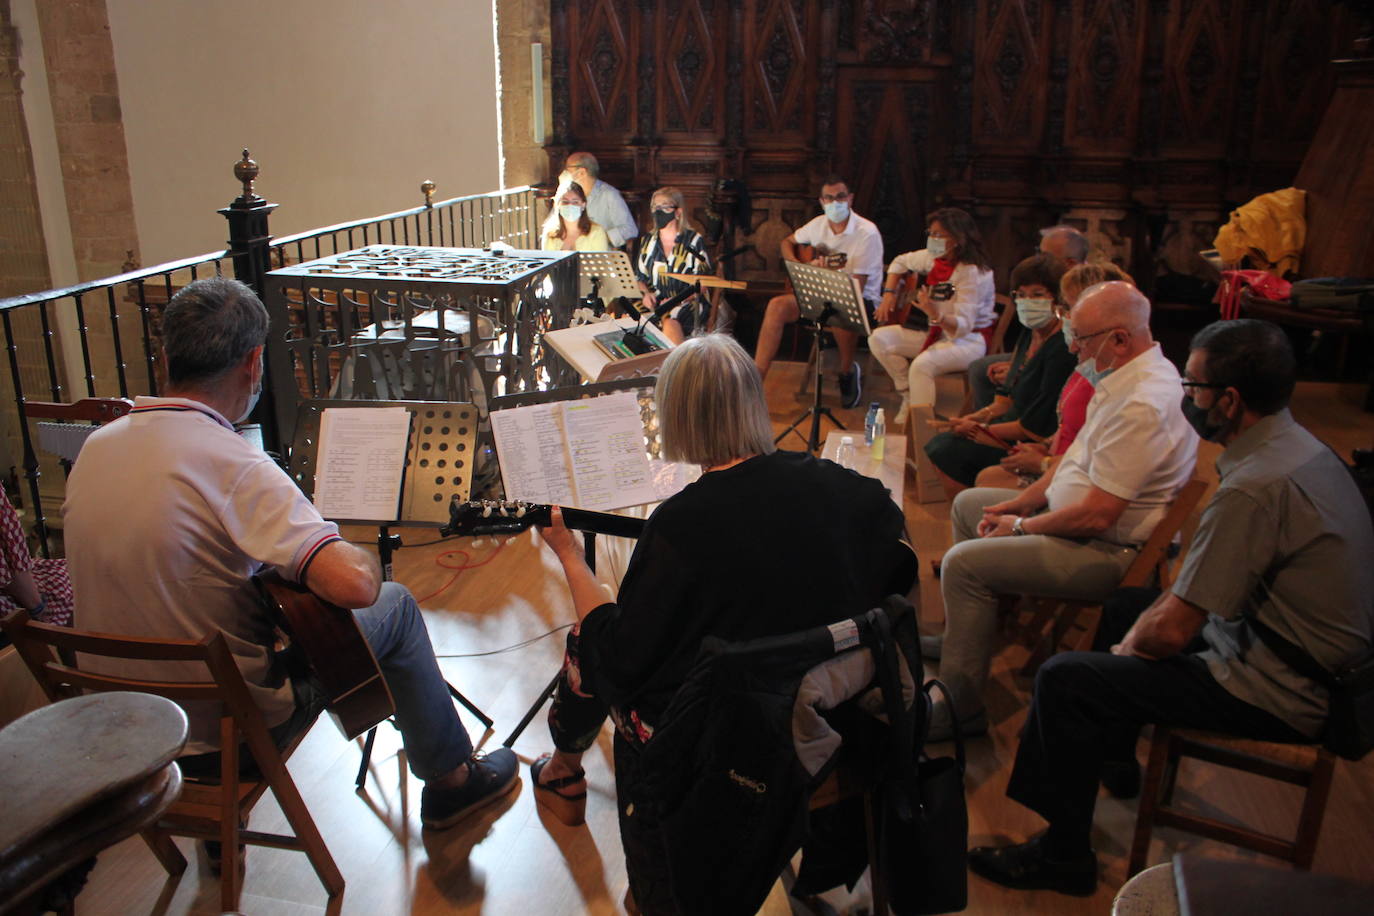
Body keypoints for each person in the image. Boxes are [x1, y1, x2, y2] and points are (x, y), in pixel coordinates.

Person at [62, 277, 517, 833]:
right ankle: (452, 784)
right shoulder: (234, 463)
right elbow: (355, 587)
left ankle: (214, 843)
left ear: (165, 359)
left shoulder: (96, 446)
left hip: (114, 733)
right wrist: (348, 549)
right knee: (392, 605)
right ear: (254, 363)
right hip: (221, 735)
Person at [969, 319, 1374, 896]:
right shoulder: (1299, 447)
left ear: (1229, 401)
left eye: (1195, 387)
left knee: (1069, 677)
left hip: (1291, 689)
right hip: (1308, 655)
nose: (1188, 397)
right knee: (1126, 604)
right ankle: (1112, 758)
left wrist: (1125, 652)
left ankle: (1063, 855)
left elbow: (1172, 633)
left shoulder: (1255, 487)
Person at [529, 334, 907, 913]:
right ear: (753, 403)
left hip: (728, 747)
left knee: (590, 641)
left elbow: (625, 665)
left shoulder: (680, 526)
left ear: (675, 418)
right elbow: (898, 570)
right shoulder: (853, 491)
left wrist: (569, 555)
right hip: (834, 711)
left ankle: (582, 794)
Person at [928, 281, 1198, 739]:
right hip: (1076, 525)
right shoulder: (1122, 377)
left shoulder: (1144, 403)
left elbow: (1097, 516)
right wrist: (1016, 503)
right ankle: (964, 642)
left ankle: (960, 706)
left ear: (1119, 339)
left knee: (962, 565)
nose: (1073, 347)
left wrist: (1021, 527)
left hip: (1108, 552)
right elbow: (1068, 465)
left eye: (1082, 338)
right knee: (972, 505)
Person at [922, 254, 1076, 497]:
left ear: (1057, 298)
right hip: (1015, 424)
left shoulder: (1060, 349)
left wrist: (979, 429)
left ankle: (976, 504)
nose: (1027, 302)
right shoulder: (1030, 333)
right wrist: (978, 416)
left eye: (1037, 295)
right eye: (1022, 295)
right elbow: (1004, 401)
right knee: (943, 442)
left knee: (945, 449)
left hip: (1032, 439)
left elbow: (1035, 427)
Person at [975, 262, 1134, 490]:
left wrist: (1043, 463)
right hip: (1059, 462)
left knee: (975, 491)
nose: (1065, 319)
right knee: (985, 479)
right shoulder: (1088, 365)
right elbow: (1067, 427)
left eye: (1071, 309)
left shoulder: (1120, 385)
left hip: (1076, 483)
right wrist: (1046, 447)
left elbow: (1103, 470)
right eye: (1064, 309)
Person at [753, 175, 883, 409]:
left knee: (839, 308)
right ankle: (754, 381)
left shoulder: (867, 233)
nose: (835, 203)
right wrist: (798, 267)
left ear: (850, 199)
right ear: (822, 201)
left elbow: (857, 286)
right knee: (777, 306)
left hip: (859, 298)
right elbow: (786, 242)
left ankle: (846, 371)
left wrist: (828, 276)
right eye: (829, 198)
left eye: (841, 197)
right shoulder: (818, 224)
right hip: (819, 291)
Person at [868, 207, 996, 423]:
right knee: (878, 339)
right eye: (931, 233)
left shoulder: (971, 272)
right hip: (935, 331)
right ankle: (907, 395)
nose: (932, 240)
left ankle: (922, 428)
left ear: (958, 238)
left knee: (921, 365)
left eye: (938, 235)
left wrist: (935, 313)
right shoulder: (934, 258)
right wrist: (889, 294)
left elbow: (962, 327)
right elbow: (899, 262)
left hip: (968, 340)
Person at [966, 224, 1090, 409]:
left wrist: (1023, 371)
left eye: (1046, 257)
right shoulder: (1046, 287)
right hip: (1041, 355)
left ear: (1070, 264)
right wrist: (1019, 365)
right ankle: (990, 422)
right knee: (982, 369)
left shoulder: (1087, 294)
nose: (1040, 261)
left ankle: (1008, 425)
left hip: (1069, 363)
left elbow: (1068, 355)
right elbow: (1034, 338)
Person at [634, 186, 714, 344]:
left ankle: (674, 365)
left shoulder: (693, 240)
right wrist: (646, 294)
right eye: (655, 207)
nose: (659, 211)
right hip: (656, 299)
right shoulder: (648, 240)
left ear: (678, 212)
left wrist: (676, 300)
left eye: (664, 207)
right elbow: (639, 278)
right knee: (630, 317)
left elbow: (703, 283)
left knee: (670, 320)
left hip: (688, 301)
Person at [0, 493, 72, 626]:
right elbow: (13, 570)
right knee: (76, 579)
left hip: (16, 584)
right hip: (13, 610)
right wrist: (37, 607)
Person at [564, 151, 638, 249]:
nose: (565, 173)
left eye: (568, 169)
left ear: (582, 172)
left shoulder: (609, 194)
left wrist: (598, 238)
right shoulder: (567, 194)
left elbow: (630, 229)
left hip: (599, 255)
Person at [541, 180, 611, 252]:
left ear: (583, 205)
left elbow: (599, 262)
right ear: (557, 205)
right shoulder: (550, 233)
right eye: (565, 202)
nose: (570, 205)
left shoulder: (596, 232)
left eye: (575, 202)